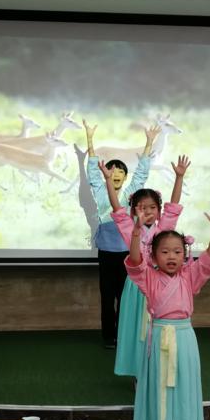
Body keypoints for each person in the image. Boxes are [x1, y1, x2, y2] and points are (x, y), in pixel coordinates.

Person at [125, 202, 210, 420]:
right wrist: (136, 233)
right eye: (165, 252)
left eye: (177, 251)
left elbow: (209, 259)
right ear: (153, 256)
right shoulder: (148, 277)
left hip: (183, 340)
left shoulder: (189, 277)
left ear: (185, 254)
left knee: (183, 393)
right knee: (159, 393)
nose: (171, 256)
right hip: (159, 337)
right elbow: (134, 262)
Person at [100, 155, 189, 379]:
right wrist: (108, 181)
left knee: (157, 330)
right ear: (132, 211)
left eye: (152, 207)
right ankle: (137, 372)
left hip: (159, 287)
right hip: (136, 288)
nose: (147, 212)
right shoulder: (129, 228)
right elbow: (116, 206)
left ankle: (157, 369)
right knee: (135, 331)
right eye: (141, 208)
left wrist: (179, 177)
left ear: (159, 211)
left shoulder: (164, 228)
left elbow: (173, 206)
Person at [85, 120, 158, 348]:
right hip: (106, 253)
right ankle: (109, 336)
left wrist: (149, 142)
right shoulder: (100, 190)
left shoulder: (130, 194)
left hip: (128, 254)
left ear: (125, 177)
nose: (116, 174)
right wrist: (89, 139)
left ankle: (125, 334)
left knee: (126, 297)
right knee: (107, 296)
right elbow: (92, 172)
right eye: (112, 171)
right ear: (106, 174)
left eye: (121, 172)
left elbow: (141, 175)